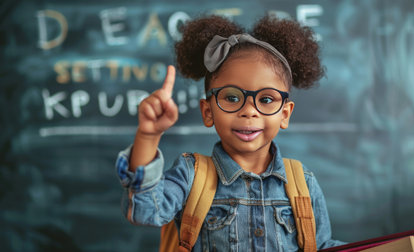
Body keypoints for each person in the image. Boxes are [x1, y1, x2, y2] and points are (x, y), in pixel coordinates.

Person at [116, 14, 345, 251]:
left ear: (285, 114)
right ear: (208, 111)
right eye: (232, 97)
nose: (249, 111)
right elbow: (144, 212)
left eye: (266, 99)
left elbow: (322, 245)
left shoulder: (303, 183)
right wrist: (148, 136)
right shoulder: (190, 176)